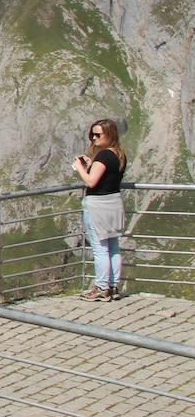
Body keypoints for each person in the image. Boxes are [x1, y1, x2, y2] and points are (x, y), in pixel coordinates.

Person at [73, 118, 128, 301]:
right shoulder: (119, 154)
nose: (94, 138)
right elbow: (106, 177)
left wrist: (80, 168)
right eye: (92, 134)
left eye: (98, 134)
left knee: (100, 248)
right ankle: (113, 286)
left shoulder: (104, 156)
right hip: (114, 203)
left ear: (109, 135)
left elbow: (91, 181)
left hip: (98, 205)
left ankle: (102, 287)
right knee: (113, 246)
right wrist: (91, 165)